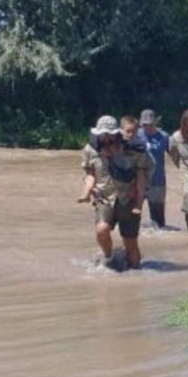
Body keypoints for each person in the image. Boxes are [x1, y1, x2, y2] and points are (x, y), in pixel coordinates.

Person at [78, 115, 149, 269]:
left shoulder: (133, 149)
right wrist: (87, 192)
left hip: (127, 200)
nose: (106, 137)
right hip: (104, 198)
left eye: (110, 134)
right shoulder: (91, 149)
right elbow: (89, 174)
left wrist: (139, 200)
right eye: (103, 134)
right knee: (102, 230)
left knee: (131, 246)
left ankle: (136, 277)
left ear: (117, 133)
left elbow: (143, 174)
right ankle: (109, 257)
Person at [137, 109, 170, 228]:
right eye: (145, 124)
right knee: (133, 214)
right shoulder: (136, 134)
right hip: (137, 180)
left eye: (151, 124)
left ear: (155, 122)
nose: (148, 127)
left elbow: (175, 154)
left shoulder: (164, 136)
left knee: (158, 220)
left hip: (158, 180)